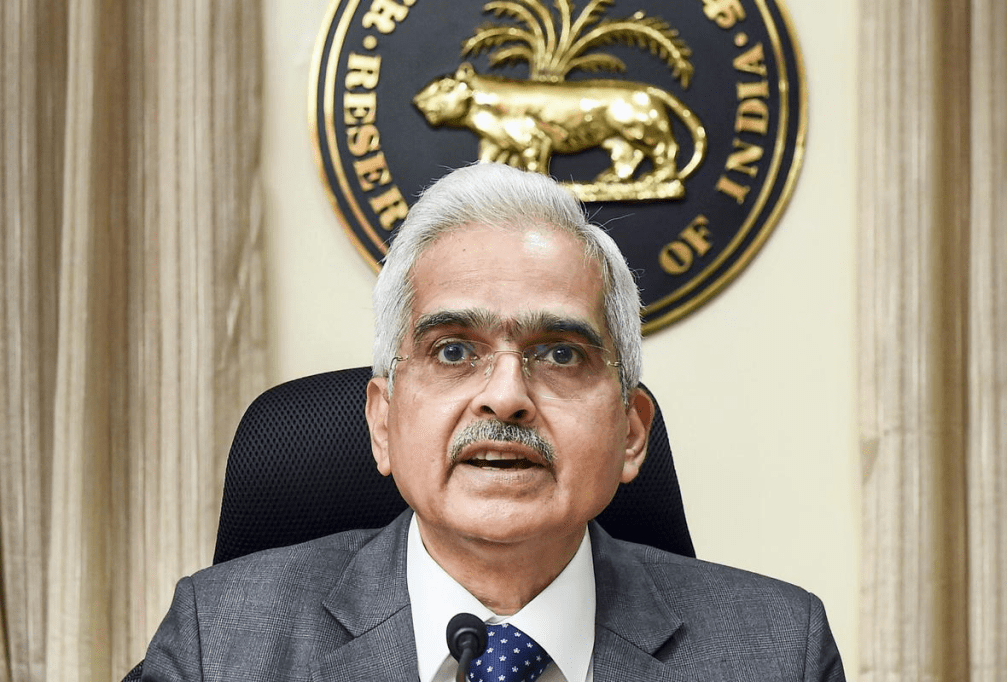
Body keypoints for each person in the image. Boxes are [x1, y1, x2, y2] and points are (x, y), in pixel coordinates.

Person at [142, 163, 845, 681]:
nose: (506, 397)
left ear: (631, 433)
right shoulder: (218, 645)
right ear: (382, 423)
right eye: (453, 351)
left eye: (560, 353)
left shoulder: (779, 651)